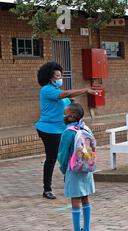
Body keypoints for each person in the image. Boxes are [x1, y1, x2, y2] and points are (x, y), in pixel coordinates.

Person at [36, 62, 98, 200]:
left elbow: (67, 101)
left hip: (62, 129)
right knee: (52, 157)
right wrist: (85, 90)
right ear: (50, 78)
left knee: (70, 155)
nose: (60, 78)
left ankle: (70, 182)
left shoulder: (58, 93)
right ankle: (47, 189)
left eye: (61, 75)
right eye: (57, 76)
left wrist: (71, 101)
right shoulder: (47, 90)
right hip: (49, 129)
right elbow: (65, 93)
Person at [58, 103, 96, 231]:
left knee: (75, 199)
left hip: (73, 169)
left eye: (65, 113)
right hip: (86, 167)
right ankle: (86, 230)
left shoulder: (68, 132)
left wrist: (63, 169)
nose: (63, 116)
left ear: (72, 116)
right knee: (85, 197)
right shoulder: (86, 128)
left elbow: (62, 155)